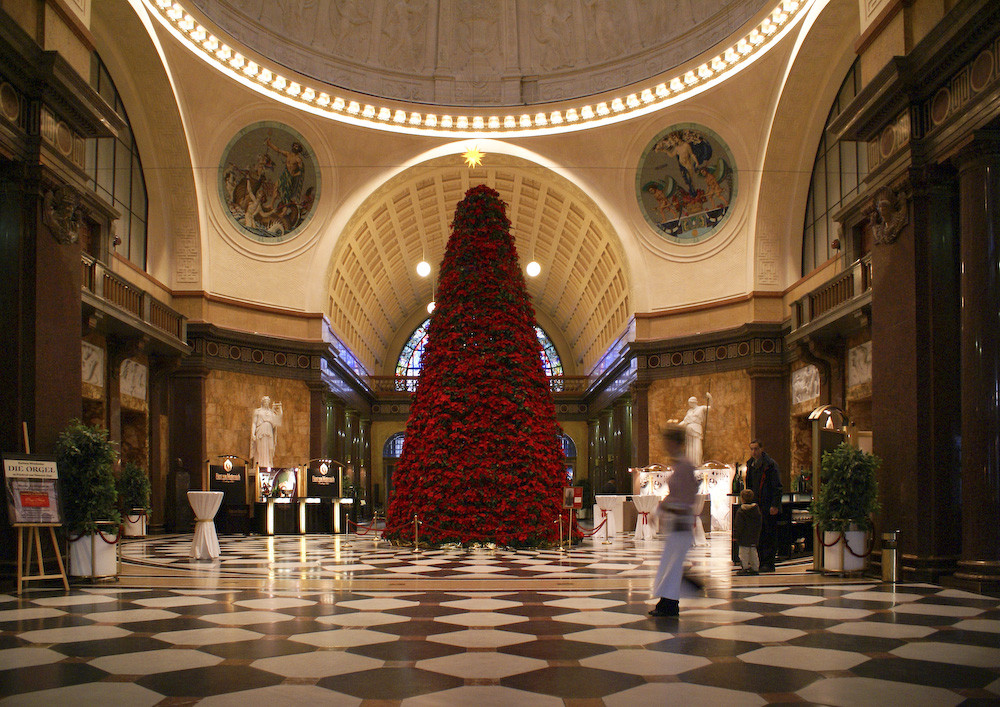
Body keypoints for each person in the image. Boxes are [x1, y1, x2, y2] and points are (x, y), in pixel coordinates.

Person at [649, 424, 699, 617]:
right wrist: (660, 510)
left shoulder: (685, 465)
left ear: (675, 442)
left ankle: (670, 604)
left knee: (673, 564)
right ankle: (666, 602)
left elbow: (687, 496)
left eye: (667, 441)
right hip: (677, 522)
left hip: (681, 522)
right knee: (670, 563)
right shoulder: (679, 464)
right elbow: (673, 494)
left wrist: (668, 508)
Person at [745, 439, 782, 572]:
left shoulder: (770, 465)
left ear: (761, 449)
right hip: (756, 505)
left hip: (767, 505)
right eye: (752, 449)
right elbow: (749, 485)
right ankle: (758, 561)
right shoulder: (750, 464)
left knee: (769, 534)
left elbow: (777, 486)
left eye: (756, 449)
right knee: (758, 534)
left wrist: (775, 504)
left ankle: (768, 562)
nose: (754, 452)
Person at [733, 488, 762, 576]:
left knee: (743, 553)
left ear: (742, 498)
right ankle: (755, 567)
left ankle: (745, 567)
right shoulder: (756, 510)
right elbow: (759, 523)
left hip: (743, 537)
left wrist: (736, 535)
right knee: (753, 552)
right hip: (754, 535)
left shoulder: (741, 511)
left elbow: (739, 525)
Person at [250, 396, 283, 469]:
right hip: (261, 430)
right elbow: (254, 423)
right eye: (265, 401)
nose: (266, 403)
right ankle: (259, 465)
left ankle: (268, 464)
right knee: (260, 448)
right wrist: (253, 434)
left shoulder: (271, 412)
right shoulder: (257, 411)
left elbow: (277, 421)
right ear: (262, 402)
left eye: (268, 401)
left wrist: (280, 409)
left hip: (269, 431)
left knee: (270, 448)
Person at [679, 392, 712, 466]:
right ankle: (690, 464)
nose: (690, 404)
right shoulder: (689, 411)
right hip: (689, 431)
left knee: (697, 447)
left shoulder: (701, 408)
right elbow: (685, 421)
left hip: (696, 430)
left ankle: (697, 463)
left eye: (690, 403)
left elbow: (710, 408)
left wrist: (710, 398)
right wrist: (677, 426)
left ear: (694, 402)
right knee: (690, 449)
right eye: (689, 403)